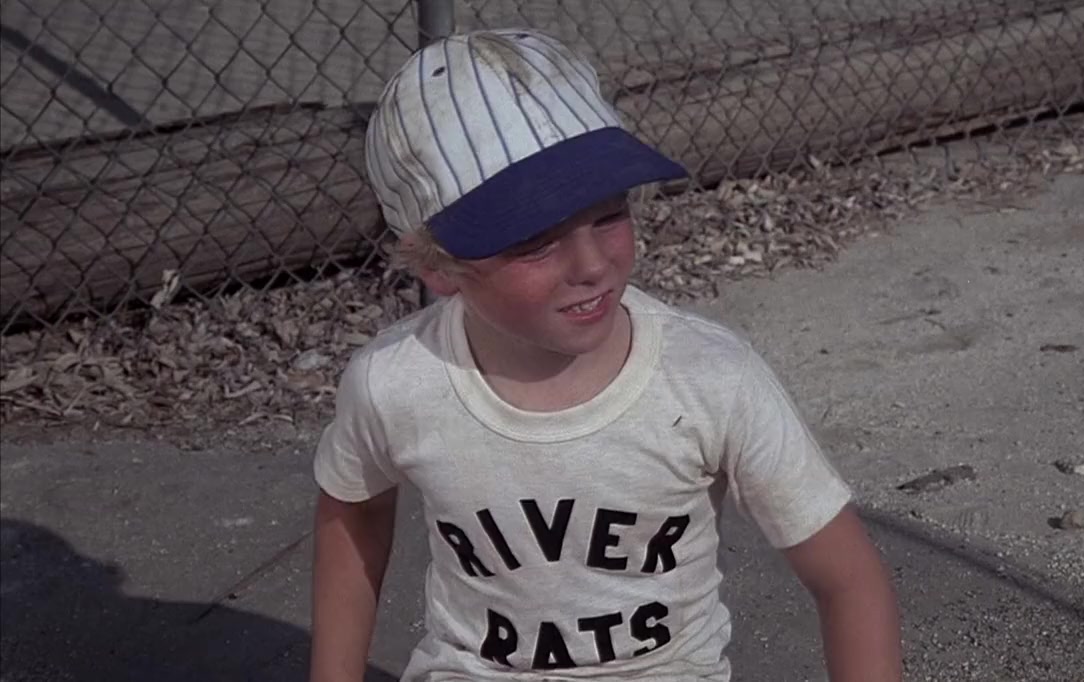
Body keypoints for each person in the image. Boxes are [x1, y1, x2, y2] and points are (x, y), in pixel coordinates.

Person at [309, 27, 902, 682]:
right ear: (438, 264)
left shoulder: (708, 378)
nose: (591, 264)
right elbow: (355, 509)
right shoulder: (397, 383)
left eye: (608, 214)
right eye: (536, 242)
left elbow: (849, 581)